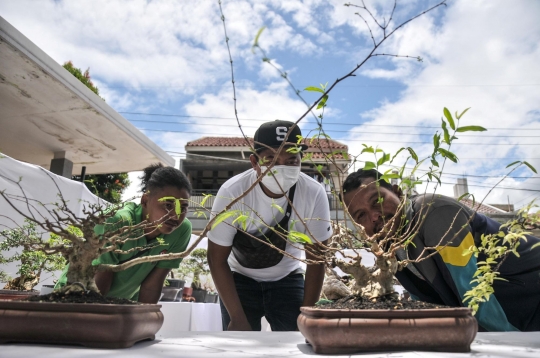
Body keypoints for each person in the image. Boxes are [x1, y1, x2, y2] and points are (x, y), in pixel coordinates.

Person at [342, 169, 540, 331]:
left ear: (398, 192)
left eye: (377, 200)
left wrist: (506, 346)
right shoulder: (388, 246)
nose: (374, 216)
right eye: (361, 215)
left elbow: (472, 289)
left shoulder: (436, 213)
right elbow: (428, 298)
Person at [207, 120, 333, 331]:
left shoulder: (313, 193)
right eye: (271, 160)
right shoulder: (233, 192)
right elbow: (216, 259)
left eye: (291, 160)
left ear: (302, 160)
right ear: (255, 162)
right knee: (239, 347)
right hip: (239, 281)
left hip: (287, 278)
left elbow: (317, 260)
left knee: (297, 343)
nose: (281, 168)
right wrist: (237, 318)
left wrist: (307, 315)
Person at [55, 163, 192, 303]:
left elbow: (152, 284)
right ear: (145, 200)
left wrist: (142, 319)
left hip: (122, 303)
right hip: (75, 299)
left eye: (183, 207)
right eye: (168, 206)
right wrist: (99, 319)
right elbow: (102, 277)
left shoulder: (181, 230)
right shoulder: (117, 222)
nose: (176, 216)